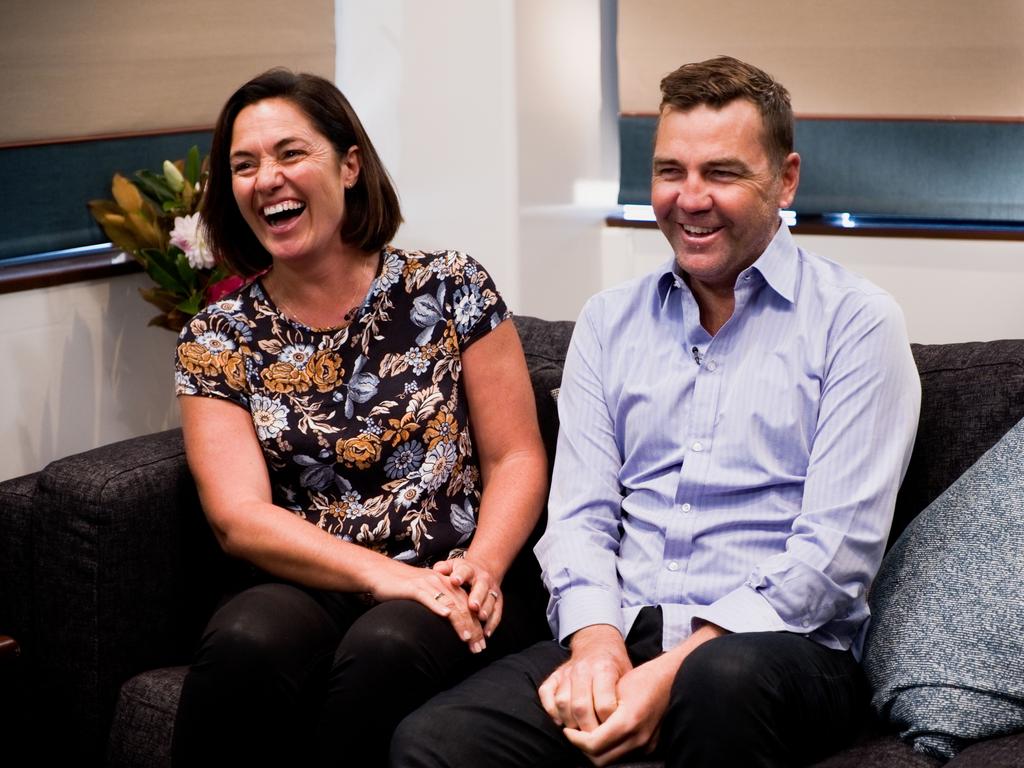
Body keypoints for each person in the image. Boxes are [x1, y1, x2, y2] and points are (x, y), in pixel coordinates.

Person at [390, 56, 921, 768]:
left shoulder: (857, 325)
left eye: (722, 173)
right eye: (671, 171)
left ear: (785, 179)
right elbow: (579, 518)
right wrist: (597, 646)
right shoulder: (608, 323)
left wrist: (667, 677)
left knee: (718, 681)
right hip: (626, 631)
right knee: (433, 743)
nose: (689, 198)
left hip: (780, 654)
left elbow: (833, 559)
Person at [170, 68, 549, 768]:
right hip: (315, 576)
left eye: (290, 153)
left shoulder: (451, 285)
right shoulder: (216, 336)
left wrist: (484, 567)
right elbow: (238, 516)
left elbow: (516, 456)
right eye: (244, 165)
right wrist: (382, 575)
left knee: (389, 647)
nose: (266, 179)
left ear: (349, 165)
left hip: (461, 567)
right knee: (245, 640)